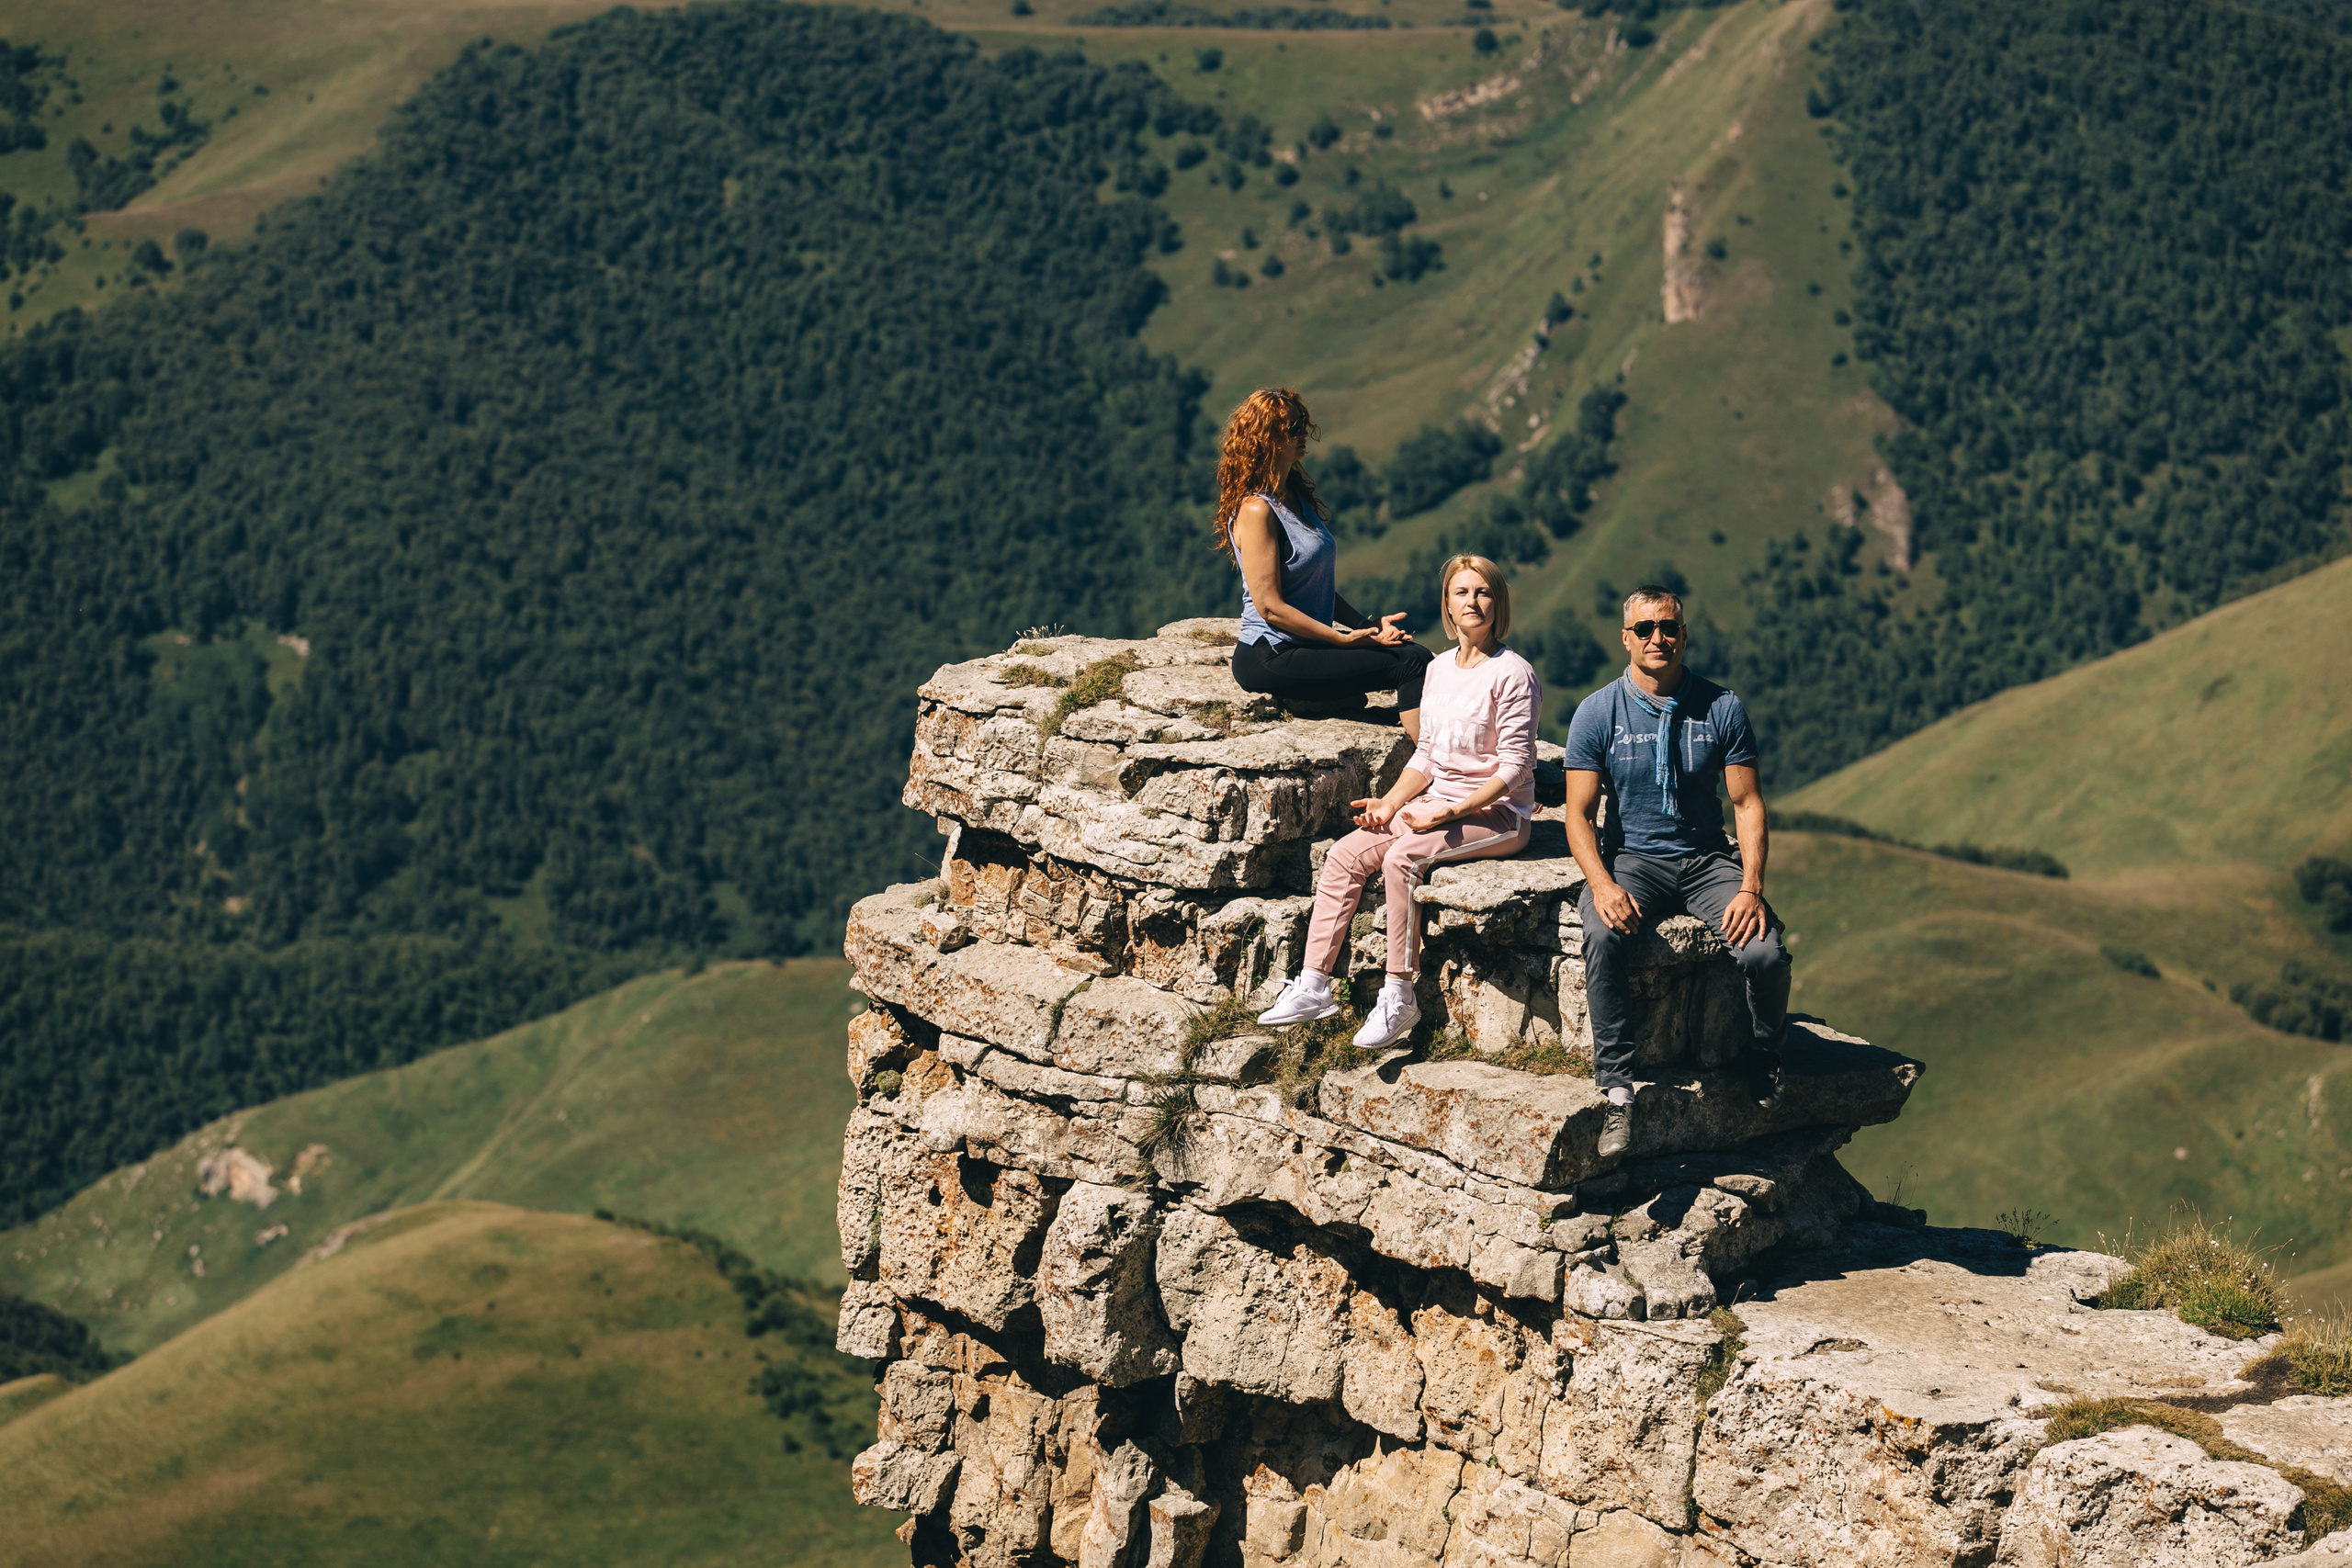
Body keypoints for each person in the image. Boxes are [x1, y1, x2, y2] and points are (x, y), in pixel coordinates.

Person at [1258, 554, 1539, 1048]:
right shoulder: (1438, 669)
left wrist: (1450, 811)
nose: (1472, 601)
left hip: (1499, 814)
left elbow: (1516, 767)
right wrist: (1390, 803)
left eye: (1483, 592)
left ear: (1498, 603)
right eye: (1461, 592)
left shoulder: (1513, 674)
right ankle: (1314, 984)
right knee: (1344, 855)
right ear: (1447, 604)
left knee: (1402, 858)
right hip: (1437, 803)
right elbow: (1427, 753)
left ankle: (1399, 994)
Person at [1564, 585, 1789, 1162]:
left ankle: (1766, 1052)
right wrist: (1602, 885)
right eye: (1645, 628)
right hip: (1631, 861)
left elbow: (1747, 804)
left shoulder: (1721, 707)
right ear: (1626, 637)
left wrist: (1751, 886)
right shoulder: (1598, 711)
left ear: (1683, 635)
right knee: (1601, 935)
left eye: (1668, 627)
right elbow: (1578, 814)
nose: (1657, 638)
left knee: (1764, 953)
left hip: (1707, 860)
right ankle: (1618, 1089)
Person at [1217, 388, 1434, 739]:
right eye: (1293, 428)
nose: (1303, 433)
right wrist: (1341, 639)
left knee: (1414, 653)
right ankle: (1430, 761)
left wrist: (1366, 626)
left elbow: (1314, 587)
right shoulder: (1257, 510)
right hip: (1271, 653)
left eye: (1302, 423)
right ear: (1266, 439)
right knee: (1412, 662)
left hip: (1306, 644)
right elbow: (1269, 607)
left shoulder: (1294, 496)